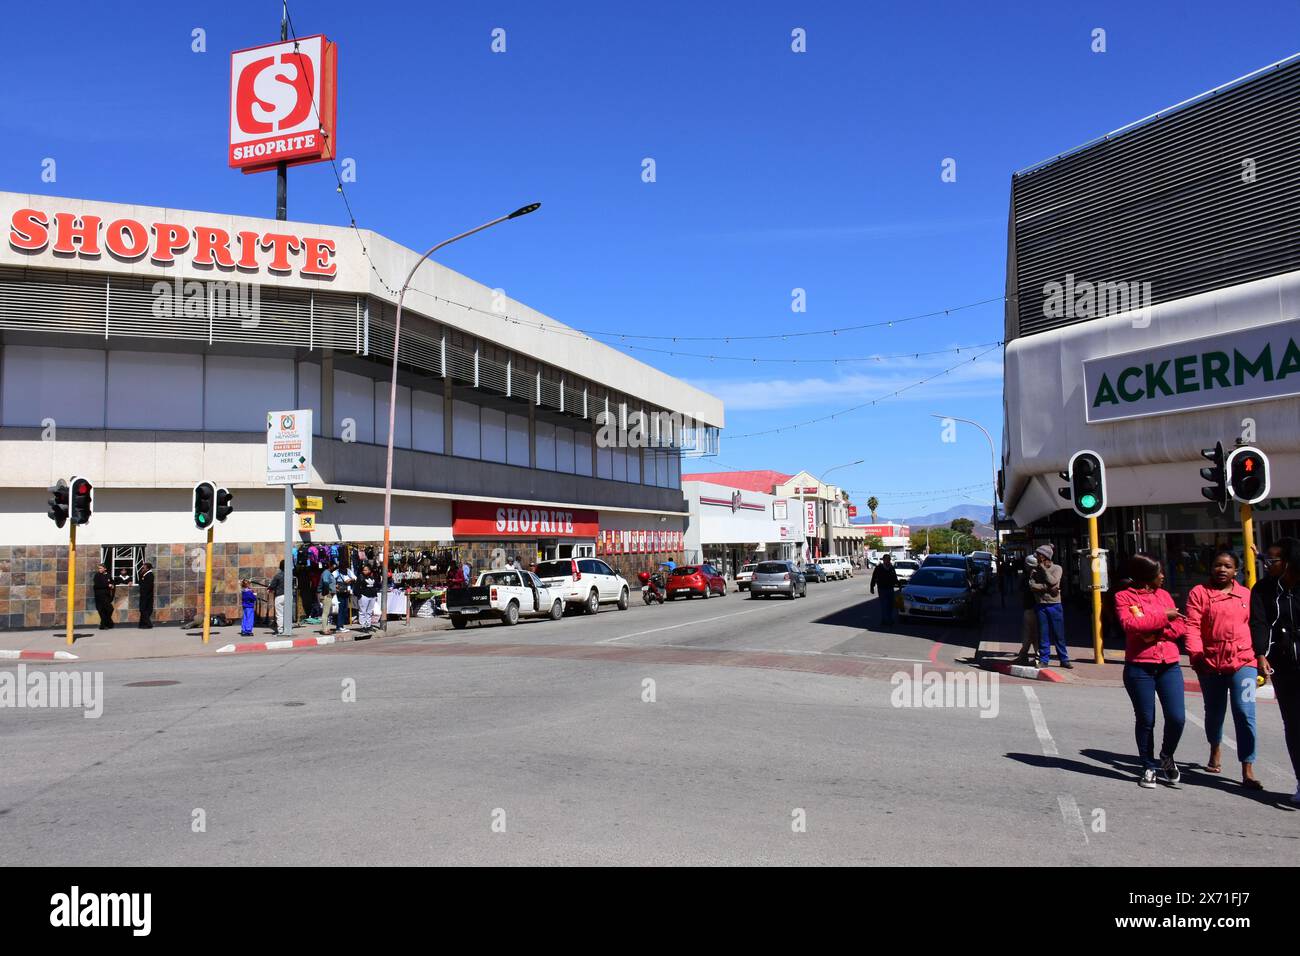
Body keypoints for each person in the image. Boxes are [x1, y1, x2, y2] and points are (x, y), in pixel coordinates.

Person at [1185, 550, 1262, 789]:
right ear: (1211, 568)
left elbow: (1258, 626)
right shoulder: (1199, 593)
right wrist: (1196, 654)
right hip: (1210, 663)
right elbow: (1192, 626)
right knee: (1215, 712)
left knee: (1245, 712)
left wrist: (1262, 656)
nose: (1222, 570)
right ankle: (1215, 749)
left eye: (1227, 566)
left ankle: (1247, 767)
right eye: (1218, 565)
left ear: (1235, 571)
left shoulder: (1246, 595)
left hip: (1244, 661)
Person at [1115, 553, 1188, 788]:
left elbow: (1179, 627)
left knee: (1177, 717)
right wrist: (1163, 616)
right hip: (1139, 666)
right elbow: (1131, 625)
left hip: (1169, 664)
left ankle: (1167, 755)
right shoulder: (1123, 597)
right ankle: (1148, 765)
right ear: (1146, 578)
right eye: (1159, 573)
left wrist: (1154, 629)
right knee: (1146, 719)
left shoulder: (1164, 595)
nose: (1163, 577)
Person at [1251, 538, 1300, 805]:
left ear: (1289, 562)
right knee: (1294, 725)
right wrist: (1261, 654)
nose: (1267, 565)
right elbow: (1258, 623)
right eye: (1265, 560)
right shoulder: (1262, 589)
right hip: (1284, 666)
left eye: (1273, 561)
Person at [1029, 544, 1070, 669]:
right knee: (1043, 634)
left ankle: (1064, 659)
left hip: (1055, 605)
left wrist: (1043, 570)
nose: (1037, 557)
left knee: (1059, 634)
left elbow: (1053, 581)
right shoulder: (1034, 570)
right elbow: (1032, 585)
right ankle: (1044, 660)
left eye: (1039, 555)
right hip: (1041, 605)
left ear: (1045, 556)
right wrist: (1047, 588)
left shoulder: (1057, 568)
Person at [1012, 555, 1041, 665]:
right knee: (1030, 633)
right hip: (1030, 607)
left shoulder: (1033, 576)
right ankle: (1025, 654)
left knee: (1031, 633)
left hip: (1033, 607)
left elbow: (1027, 589)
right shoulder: (1028, 575)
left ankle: (1034, 655)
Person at [870, 554, 898, 626]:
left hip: (890, 589)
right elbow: (874, 577)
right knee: (884, 605)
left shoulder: (891, 568)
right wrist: (872, 587)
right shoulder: (879, 568)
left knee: (890, 605)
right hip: (882, 589)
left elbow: (895, 577)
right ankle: (885, 621)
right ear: (883, 560)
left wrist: (899, 585)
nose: (887, 561)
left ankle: (888, 618)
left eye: (889, 559)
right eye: (886, 559)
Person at [93, 563, 115, 629]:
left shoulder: (108, 575)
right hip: (99, 596)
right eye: (99, 568)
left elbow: (112, 582)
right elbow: (97, 585)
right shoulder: (97, 575)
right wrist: (107, 585)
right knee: (101, 610)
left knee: (110, 609)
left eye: (100, 568)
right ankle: (105, 624)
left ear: (105, 569)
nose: (99, 569)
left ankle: (103, 623)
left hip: (106, 596)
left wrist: (112, 585)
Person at [357, 564, 380, 630]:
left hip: (372, 596)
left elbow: (377, 584)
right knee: (363, 611)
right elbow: (357, 587)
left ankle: (368, 625)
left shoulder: (373, 577)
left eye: (366, 570)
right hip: (364, 596)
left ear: (369, 570)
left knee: (369, 611)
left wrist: (375, 592)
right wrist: (359, 595)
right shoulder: (361, 577)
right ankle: (363, 625)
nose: (364, 571)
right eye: (364, 570)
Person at [267, 560, 286, 634]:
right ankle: (287, 628)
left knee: (280, 614)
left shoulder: (278, 575)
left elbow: (272, 586)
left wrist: (269, 589)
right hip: (289, 596)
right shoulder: (290, 575)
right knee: (287, 613)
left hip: (280, 596)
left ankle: (280, 630)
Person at [319, 562, 337, 634]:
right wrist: (327, 592)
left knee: (328, 613)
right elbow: (325, 582)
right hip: (326, 594)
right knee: (325, 613)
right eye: (334, 566)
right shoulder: (326, 572)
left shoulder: (328, 573)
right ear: (330, 566)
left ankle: (327, 628)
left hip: (328, 594)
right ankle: (324, 629)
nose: (334, 567)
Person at [136, 561, 155, 629]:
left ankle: (148, 624)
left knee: (143, 609)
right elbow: (140, 582)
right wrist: (141, 574)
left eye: (144, 567)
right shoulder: (144, 574)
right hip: (144, 595)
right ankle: (142, 624)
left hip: (147, 595)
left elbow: (148, 586)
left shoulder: (150, 575)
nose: (142, 568)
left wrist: (145, 594)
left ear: (147, 568)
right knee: (143, 609)